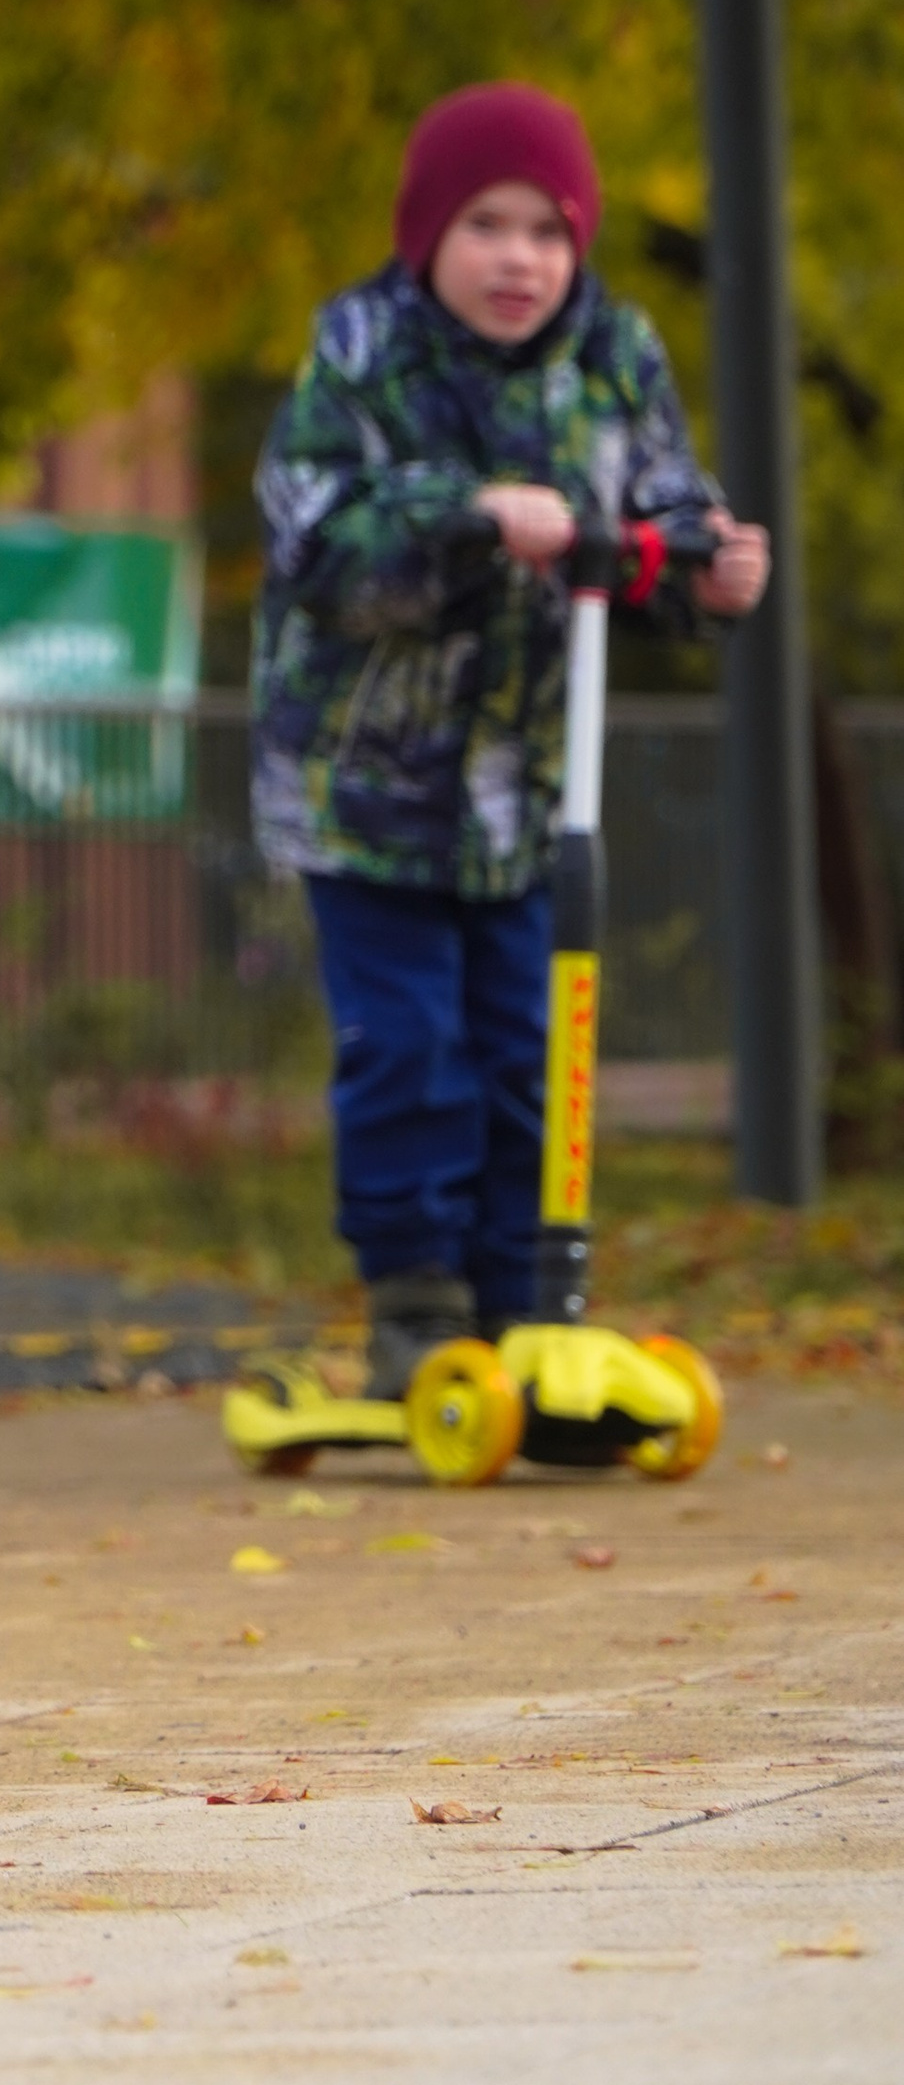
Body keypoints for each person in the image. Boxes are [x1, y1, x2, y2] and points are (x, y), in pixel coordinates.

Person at [251, 81, 770, 1400]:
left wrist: (706, 568)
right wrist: (472, 512)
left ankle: (523, 1299)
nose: (519, 259)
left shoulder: (613, 358)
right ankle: (419, 1310)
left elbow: (661, 513)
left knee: (534, 1046)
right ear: (429, 234)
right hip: (370, 790)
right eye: (487, 224)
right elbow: (316, 540)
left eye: (547, 231)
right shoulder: (365, 348)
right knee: (410, 1050)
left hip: (533, 795)